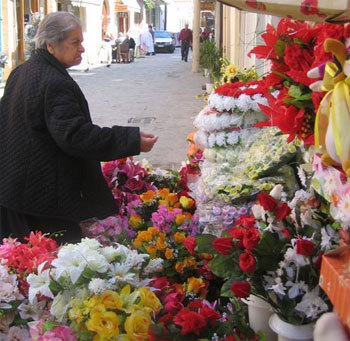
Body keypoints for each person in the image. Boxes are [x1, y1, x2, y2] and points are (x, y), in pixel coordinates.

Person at [0, 12, 158, 244]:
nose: (82, 49)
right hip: (43, 201)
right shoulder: (54, 82)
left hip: (13, 192)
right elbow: (75, 136)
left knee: (22, 266)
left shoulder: (22, 72)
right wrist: (130, 140)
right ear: (51, 45)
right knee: (52, 267)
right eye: (75, 42)